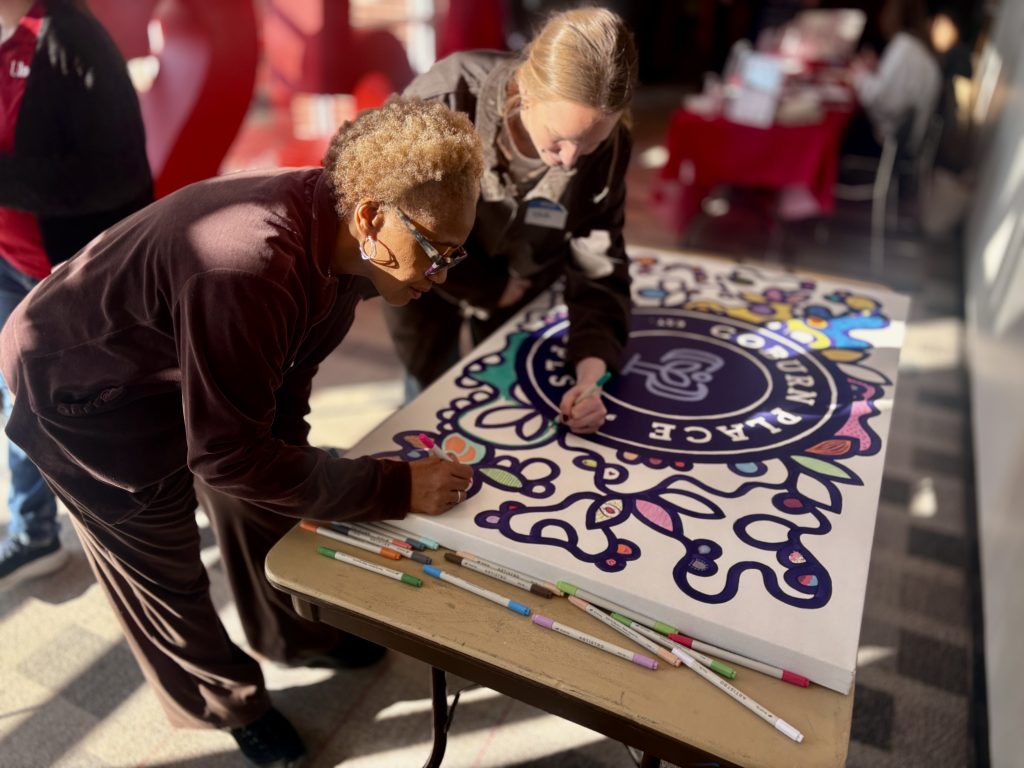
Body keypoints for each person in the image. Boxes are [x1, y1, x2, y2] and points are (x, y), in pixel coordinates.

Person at [0, 97, 481, 767]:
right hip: (82, 386)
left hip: (170, 358)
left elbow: (281, 402)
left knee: (270, 489)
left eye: (455, 257)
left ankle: (291, 634)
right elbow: (228, 457)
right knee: (163, 566)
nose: (441, 275)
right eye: (436, 252)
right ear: (372, 217)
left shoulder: (346, 245)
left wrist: (308, 475)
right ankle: (228, 702)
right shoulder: (249, 263)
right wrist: (390, 486)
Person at [383, 7, 638, 435]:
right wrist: (488, 288)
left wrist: (591, 379)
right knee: (428, 396)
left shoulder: (610, 149)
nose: (572, 161)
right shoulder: (443, 102)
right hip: (427, 287)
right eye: (559, 138)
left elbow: (598, 264)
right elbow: (398, 230)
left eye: (591, 143)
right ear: (526, 91)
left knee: (506, 403)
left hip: (524, 279)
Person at [0, 0, 152, 588]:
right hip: (9, 260)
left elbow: (116, 173)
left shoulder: (71, 36)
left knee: (89, 411)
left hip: (63, 275)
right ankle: (35, 530)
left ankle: (145, 528)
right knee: (16, 404)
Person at [844, 0, 942, 156]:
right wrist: (875, 69)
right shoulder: (918, 48)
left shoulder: (905, 46)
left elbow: (882, 100)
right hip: (906, 141)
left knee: (841, 128)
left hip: (891, 145)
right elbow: (895, 87)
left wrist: (860, 75)